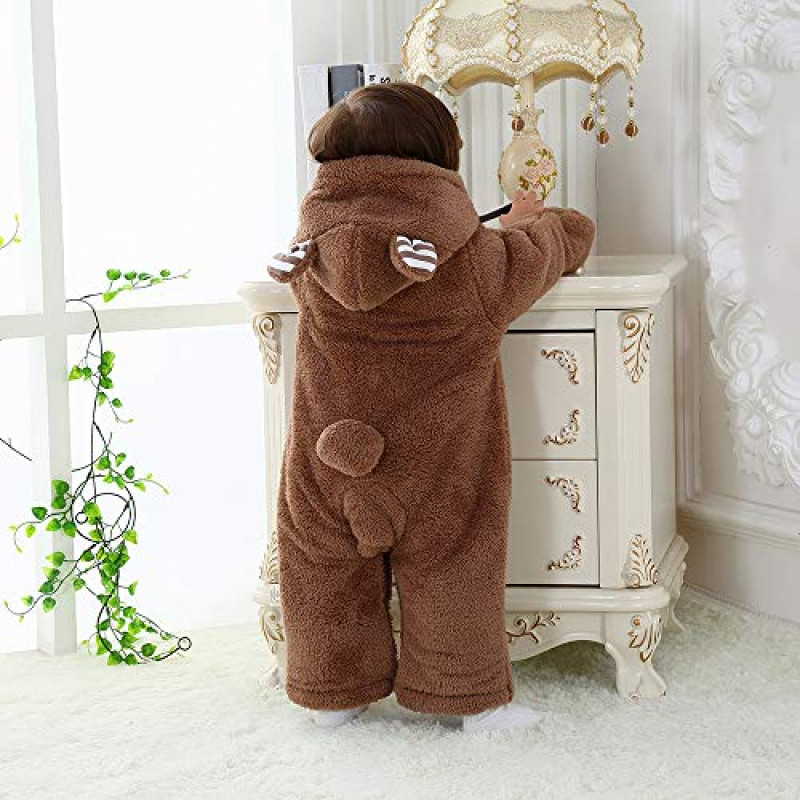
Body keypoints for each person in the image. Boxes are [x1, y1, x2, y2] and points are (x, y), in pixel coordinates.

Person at [267, 82, 595, 732]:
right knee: (454, 564)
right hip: (438, 468)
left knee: (321, 566)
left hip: (329, 456)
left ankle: (334, 693)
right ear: (439, 156)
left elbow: (363, 245)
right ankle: (468, 699)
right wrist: (539, 222)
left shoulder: (307, 258)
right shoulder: (477, 263)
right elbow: (562, 243)